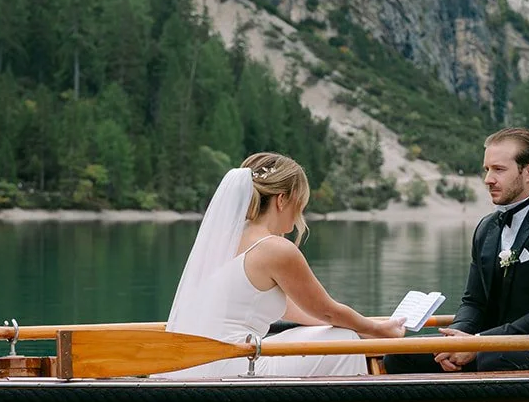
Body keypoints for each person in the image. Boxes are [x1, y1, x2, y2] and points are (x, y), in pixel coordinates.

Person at [162, 152, 405, 378]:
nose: (301, 211)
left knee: (330, 334)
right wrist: (379, 330)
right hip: (230, 363)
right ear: (282, 200)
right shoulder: (274, 249)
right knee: (346, 340)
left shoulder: (226, 239)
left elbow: (298, 311)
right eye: (300, 202)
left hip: (205, 358)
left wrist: (369, 328)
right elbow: (328, 310)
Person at [386, 127, 529, 374]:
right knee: (400, 356)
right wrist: (455, 340)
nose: (488, 179)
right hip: (495, 344)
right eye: (487, 169)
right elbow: (473, 301)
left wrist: (478, 342)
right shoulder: (486, 228)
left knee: (492, 361)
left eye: (498, 169)